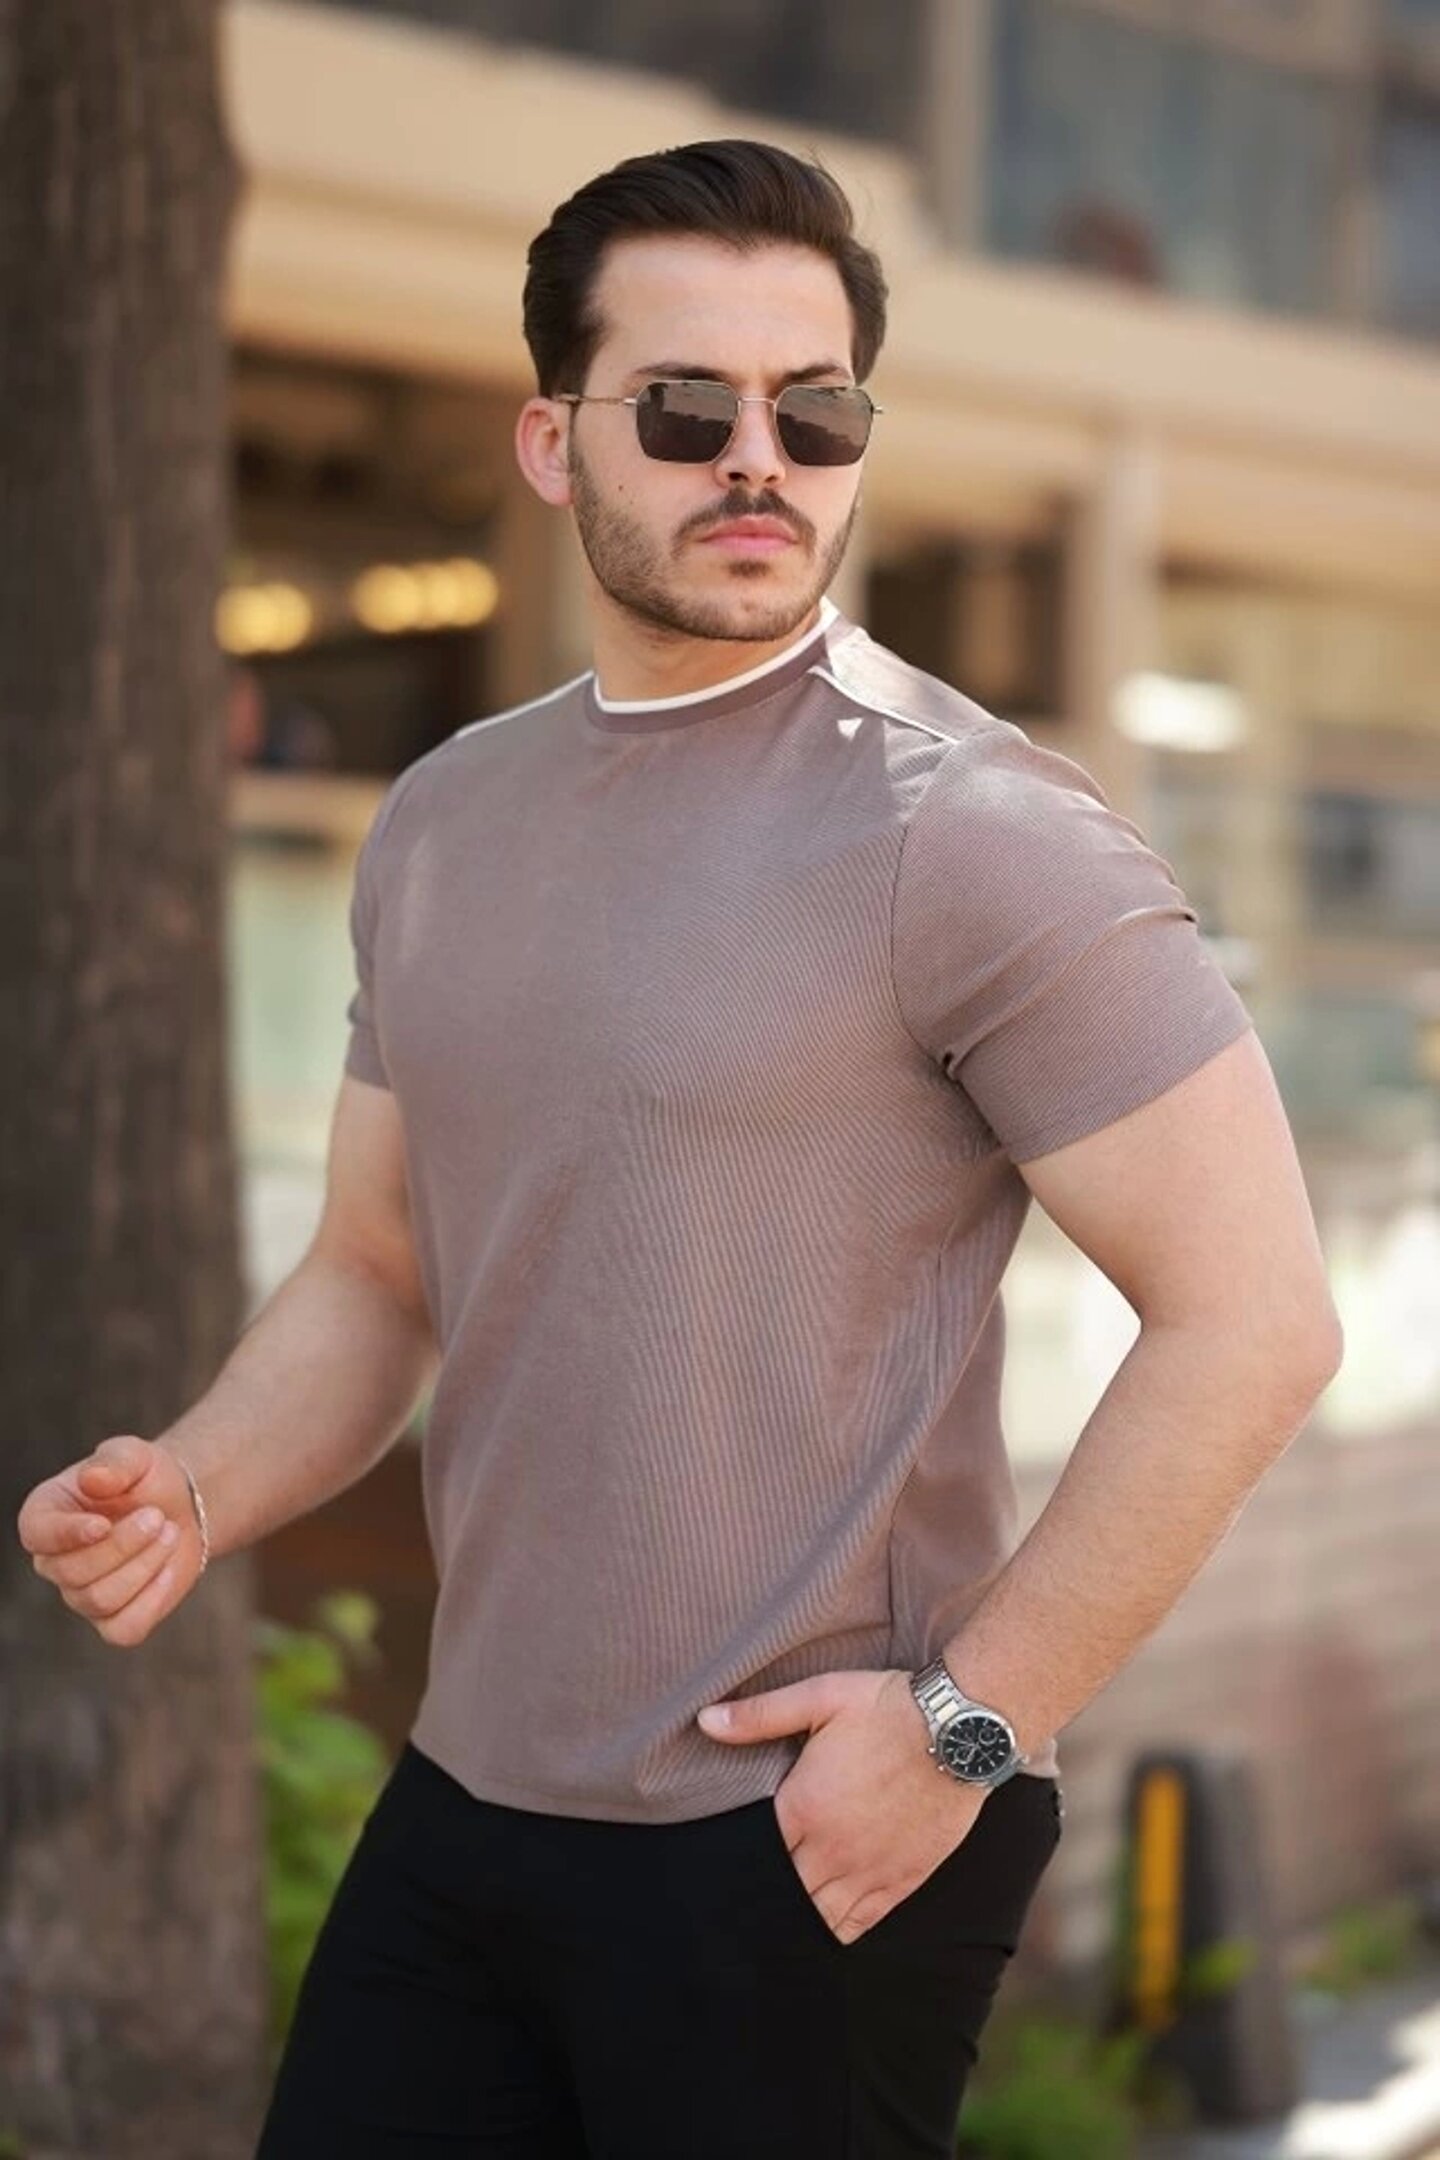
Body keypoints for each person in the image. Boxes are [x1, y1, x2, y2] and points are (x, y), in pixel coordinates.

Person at [17, 140, 1343, 2158]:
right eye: (686, 407)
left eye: (816, 413)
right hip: (470, 1794)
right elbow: (380, 1272)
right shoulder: (444, 822)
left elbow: (1255, 1321)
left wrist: (965, 1726)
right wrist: (196, 1488)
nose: (758, 462)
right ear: (552, 442)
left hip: (794, 1829)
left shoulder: (972, 831)